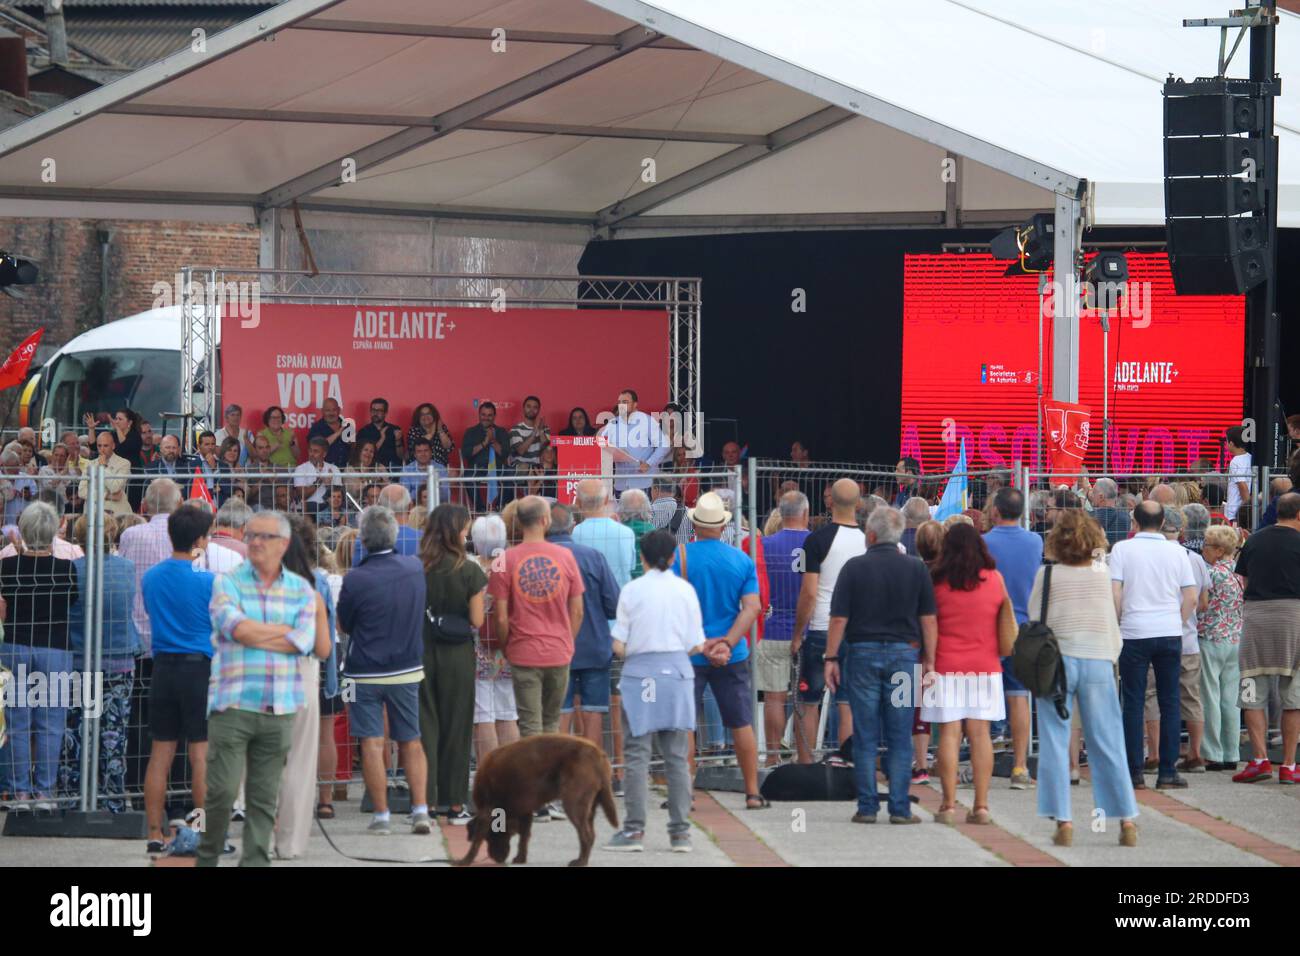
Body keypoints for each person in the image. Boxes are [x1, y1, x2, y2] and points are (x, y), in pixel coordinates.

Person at [200, 511, 330, 866]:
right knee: (289, 769)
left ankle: (259, 847)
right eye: (252, 535)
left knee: (262, 781)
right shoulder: (309, 586)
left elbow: (304, 640)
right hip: (271, 683)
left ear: (284, 546)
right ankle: (285, 842)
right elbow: (315, 645)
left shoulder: (303, 589)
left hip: (285, 687)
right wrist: (282, 635)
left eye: (264, 537)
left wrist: (255, 632)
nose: (255, 542)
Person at [1027, 510, 1139, 846]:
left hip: (1057, 662)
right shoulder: (1101, 574)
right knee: (1107, 741)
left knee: (1055, 741)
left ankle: (1064, 820)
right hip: (1098, 659)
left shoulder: (1046, 577)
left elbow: (1035, 618)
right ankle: (1127, 821)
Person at [824, 506, 933, 825]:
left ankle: (868, 806)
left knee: (866, 731)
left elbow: (839, 618)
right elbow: (928, 620)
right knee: (900, 734)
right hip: (904, 656)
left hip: (862, 655)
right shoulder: (916, 569)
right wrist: (930, 660)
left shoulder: (853, 568)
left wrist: (831, 657)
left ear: (870, 536)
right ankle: (900, 808)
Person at [604, 530, 708, 853]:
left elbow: (619, 643)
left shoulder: (632, 591)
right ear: (674, 557)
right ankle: (680, 833)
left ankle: (634, 830)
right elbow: (696, 644)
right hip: (676, 674)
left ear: (642, 557)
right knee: (676, 755)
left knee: (637, 754)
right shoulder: (685, 591)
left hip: (640, 675)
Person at [336, 505, 430, 834]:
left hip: (364, 671)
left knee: (372, 743)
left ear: (363, 540)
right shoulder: (415, 568)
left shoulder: (355, 578)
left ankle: (382, 816)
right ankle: (420, 810)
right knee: (411, 740)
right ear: (393, 534)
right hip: (407, 667)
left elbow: (344, 625)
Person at [669, 492, 764, 808]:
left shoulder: (679, 557)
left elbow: (674, 607)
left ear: (695, 524)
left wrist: (700, 643)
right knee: (740, 722)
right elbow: (752, 608)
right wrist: (726, 642)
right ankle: (752, 792)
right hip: (731, 655)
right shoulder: (741, 560)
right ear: (723, 526)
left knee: (685, 725)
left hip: (689, 654)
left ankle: (685, 795)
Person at [920, 522, 1011, 825]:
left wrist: (929, 663)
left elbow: (929, 624)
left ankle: (947, 805)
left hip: (945, 665)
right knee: (980, 733)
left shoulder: (937, 581)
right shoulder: (995, 579)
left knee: (949, 733)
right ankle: (981, 806)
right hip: (985, 665)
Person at [140, 504, 217, 853]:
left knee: (161, 753)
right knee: (200, 753)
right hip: (198, 668)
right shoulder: (208, 581)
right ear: (199, 539)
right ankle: (200, 831)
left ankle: (155, 833)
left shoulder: (151, 577)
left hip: (163, 667)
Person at [1111, 501, 1198, 790]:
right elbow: (1191, 597)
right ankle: (1167, 771)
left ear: (1134, 522)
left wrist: (1121, 621)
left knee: (1133, 701)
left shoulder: (1123, 550)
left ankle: (1134, 772)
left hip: (1134, 632)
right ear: (1162, 523)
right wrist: (1177, 619)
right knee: (1169, 700)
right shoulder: (1178, 552)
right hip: (1169, 632)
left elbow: (1116, 593)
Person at [489, 495, 585, 752]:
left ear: (518, 522)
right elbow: (577, 611)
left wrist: (508, 646)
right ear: (546, 520)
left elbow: (499, 615)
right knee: (551, 724)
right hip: (559, 651)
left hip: (523, 652)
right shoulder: (566, 557)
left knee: (530, 727)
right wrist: (567, 641)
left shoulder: (503, 560)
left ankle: (533, 787)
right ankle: (550, 787)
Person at [0, 502, 80, 811]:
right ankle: (44, 792)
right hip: (55, 648)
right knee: (50, 722)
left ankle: (19, 792)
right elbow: (72, 601)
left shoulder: (7, 566)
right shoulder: (67, 568)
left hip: (16, 646)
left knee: (18, 721)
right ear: (54, 531)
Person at [59, 514, 140, 812]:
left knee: (75, 730)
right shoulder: (127, 568)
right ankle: (112, 799)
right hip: (118, 658)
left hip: (79, 659)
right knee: (114, 734)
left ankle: (70, 795)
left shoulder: (71, 570)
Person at [417, 504, 486, 825]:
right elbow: (476, 619)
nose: (467, 533)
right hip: (457, 654)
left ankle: (425, 801)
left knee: (425, 725)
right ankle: (453, 802)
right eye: (464, 528)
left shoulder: (418, 567)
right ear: (456, 531)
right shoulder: (470, 570)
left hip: (422, 650)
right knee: (457, 727)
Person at [274, 516, 335, 858]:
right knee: (300, 757)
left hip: (264, 669)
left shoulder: (254, 584)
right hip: (306, 668)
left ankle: (266, 830)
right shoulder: (317, 585)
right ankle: (291, 841)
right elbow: (327, 647)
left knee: (267, 758)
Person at [792, 478, 864, 763]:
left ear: (830, 501)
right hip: (855, 632)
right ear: (859, 504)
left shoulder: (817, 539)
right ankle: (848, 763)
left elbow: (809, 593)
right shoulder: (868, 540)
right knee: (846, 702)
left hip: (822, 628)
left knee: (808, 703)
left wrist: (798, 633)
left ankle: (806, 765)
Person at [1232, 492, 1300, 784]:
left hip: (1256, 617)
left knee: (1251, 687)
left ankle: (1259, 759)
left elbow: (1243, 579)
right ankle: (1288, 764)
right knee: (1294, 694)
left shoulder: (1254, 540)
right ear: (1298, 515)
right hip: (1294, 617)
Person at [981, 486, 1044, 790]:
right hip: (1023, 630)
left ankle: (980, 765)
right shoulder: (1035, 541)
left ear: (995, 511)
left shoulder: (983, 543)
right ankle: (1020, 766)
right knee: (1019, 698)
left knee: (982, 699)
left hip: (989, 629)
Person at [549, 503, 621, 751]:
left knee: (560, 713)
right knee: (594, 713)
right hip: (594, 645)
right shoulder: (593, 556)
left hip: (554, 649)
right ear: (572, 525)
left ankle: (558, 775)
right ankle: (591, 777)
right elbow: (614, 604)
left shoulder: (539, 558)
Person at [757, 491, 810, 765]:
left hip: (773, 627)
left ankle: (771, 757)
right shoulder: (816, 543)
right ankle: (805, 759)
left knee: (774, 698)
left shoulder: (764, 544)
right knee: (805, 699)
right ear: (804, 513)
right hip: (808, 631)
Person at [469, 515, 519, 761]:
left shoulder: (471, 569)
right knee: (508, 712)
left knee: (483, 714)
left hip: (478, 648)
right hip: (507, 645)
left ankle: (488, 774)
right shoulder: (513, 565)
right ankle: (512, 772)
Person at [1198, 524, 1244, 772]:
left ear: (1217, 550)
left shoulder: (1211, 574)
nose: (1203, 548)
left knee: (1210, 696)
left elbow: (1202, 605)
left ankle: (1213, 752)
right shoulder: (1241, 573)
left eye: (1206, 544)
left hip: (1211, 637)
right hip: (1236, 638)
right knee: (1230, 698)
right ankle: (1232, 751)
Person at [599, 388, 670, 494]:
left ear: (635, 404)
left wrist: (649, 463)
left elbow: (664, 445)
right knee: (622, 511)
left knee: (644, 511)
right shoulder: (612, 424)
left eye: (625, 402)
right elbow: (600, 445)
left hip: (643, 483)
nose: (621, 405)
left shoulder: (647, 421)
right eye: (619, 402)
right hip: (621, 484)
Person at [351, 485, 419, 564]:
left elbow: (357, 571)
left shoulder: (364, 541)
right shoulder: (424, 539)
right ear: (410, 506)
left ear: (379, 506)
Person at [77, 431, 132, 518]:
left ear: (113, 446)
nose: (102, 449)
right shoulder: (89, 465)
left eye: (105, 446)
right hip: (93, 513)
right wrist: (106, 495)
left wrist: (103, 468)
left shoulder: (124, 463)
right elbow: (82, 492)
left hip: (116, 514)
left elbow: (115, 488)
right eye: (99, 446)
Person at [509, 395, 550, 496]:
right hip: (520, 467)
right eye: (529, 406)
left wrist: (540, 431)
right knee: (528, 469)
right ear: (523, 408)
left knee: (548, 470)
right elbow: (521, 451)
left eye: (535, 407)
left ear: (539, 410)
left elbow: (547, 449)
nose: (531, 409)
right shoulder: (515, 430)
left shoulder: (545, 429)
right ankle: (531, 503)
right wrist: (534, 432)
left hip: (538, 467)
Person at [293, 436, 342, 521]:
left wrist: (328, 486)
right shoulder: (301, 469)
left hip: (329, 510)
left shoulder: (334, 469)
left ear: (324, 454)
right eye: (310, 451)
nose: (311, 454)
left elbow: (338, 497)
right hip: (309, 510)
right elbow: (302, 495)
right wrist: (319, 481)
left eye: (316, 451)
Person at [356, 397, 405, 469]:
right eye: (373, 410)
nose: (375, 413)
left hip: (393, 470)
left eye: (379, 410)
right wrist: (382, 439)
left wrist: (398, 441)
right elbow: (363, 456)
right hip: (372, 470)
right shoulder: (363, 431)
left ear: (385, 413)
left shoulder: (394, 429)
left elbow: (401, 456)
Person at [307, 397, 351, 469]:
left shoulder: (347, 426)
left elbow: (352, 448)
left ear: (339, 410)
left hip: (345, 471)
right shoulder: (316, 427)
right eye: (328, 410)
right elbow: (319, 446)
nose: (331, 413)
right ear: (322, 411)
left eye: (334, 410)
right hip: (324, 470)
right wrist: (338, 433)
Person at [1223, 426, 1253, 526]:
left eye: (1226, 441)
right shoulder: (1250, 457)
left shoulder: (1235, 462)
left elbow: (1242, 485)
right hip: (1240, 512)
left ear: (1231, 443)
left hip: (1234, 513)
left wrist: (1247, 509)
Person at [37, 443, 80, 513]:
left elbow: (80, 483)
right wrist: (63, 473)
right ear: (52, 455)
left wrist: (76, 465)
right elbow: (50, 486)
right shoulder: (44, 470)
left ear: (66, 458)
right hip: (49, 508)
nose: (58, 458)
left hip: (68, 508)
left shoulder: (71, 471)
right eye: (56, 455)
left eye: (62, 456)